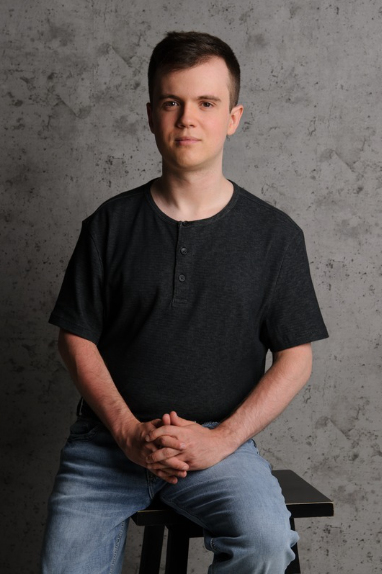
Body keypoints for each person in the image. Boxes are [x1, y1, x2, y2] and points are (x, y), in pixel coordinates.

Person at [40, 31, 328, 573]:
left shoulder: (275, 236)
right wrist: (127, 433)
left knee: (267, 543)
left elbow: (296, 358)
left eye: (206, 103)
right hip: (106, 446)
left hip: (219, 448)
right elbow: (74, 337)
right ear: (151, 116)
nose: (187, 119)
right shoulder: (109, 225)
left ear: (234, 117)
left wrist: (222, 442)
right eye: (172, 102)